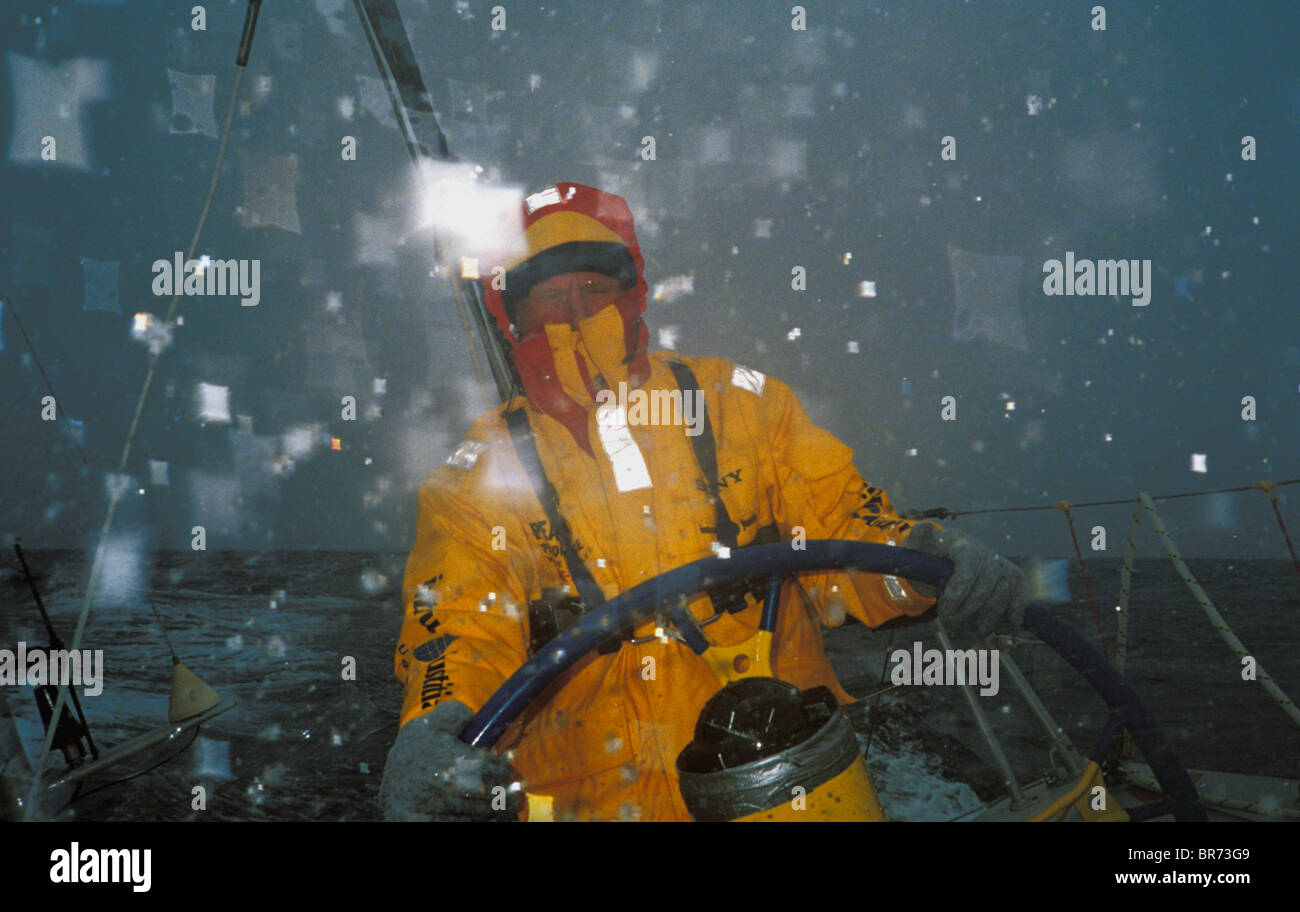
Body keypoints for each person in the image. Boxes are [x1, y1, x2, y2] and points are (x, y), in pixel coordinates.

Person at [379, 181, 1025, 821]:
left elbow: (847, 525)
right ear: (510, 319)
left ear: (636, 295)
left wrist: (927, 554)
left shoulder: (741, 406)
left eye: (594, 288)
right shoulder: (472, 484)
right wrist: (434, 724)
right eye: (548, 294)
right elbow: (458, 625)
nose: (574, 312)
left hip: (794, 796)